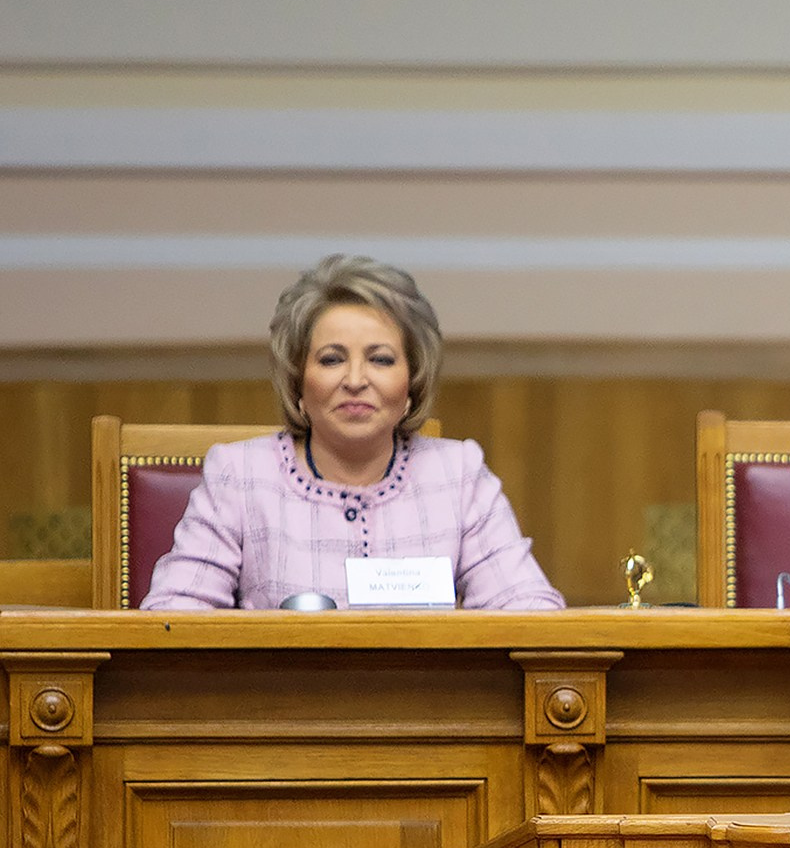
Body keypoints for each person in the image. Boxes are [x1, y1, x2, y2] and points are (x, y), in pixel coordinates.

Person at [142, 255, 564, 610]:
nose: (356, 380)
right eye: (331, 360)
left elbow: (530, 610)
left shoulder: (458, 475)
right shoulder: (241, 476)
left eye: (380, 359)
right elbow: (173, 616)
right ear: (297, 382)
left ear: (412, 383)